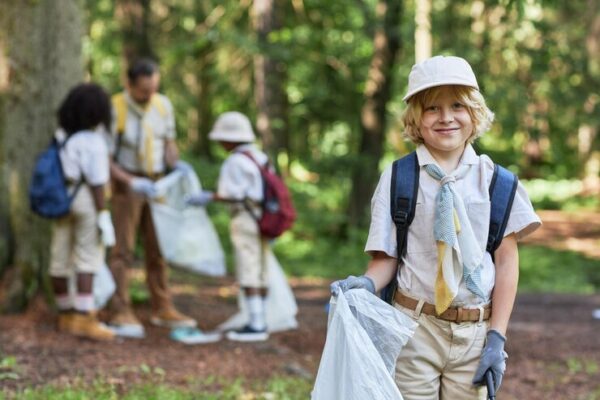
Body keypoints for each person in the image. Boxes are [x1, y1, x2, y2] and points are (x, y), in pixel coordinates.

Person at [330, 55, 541, 399]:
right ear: (416, 117)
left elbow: (506, 263)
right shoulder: (399, 177)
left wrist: (497, 337)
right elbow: (387, 258)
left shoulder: (497, 182)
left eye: (457, 104)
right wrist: (365, 283)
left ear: (474, 111)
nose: (445, 117)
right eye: (431, 108)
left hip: (476, 331)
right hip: (413, 327)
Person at [106, 58, 196, 337]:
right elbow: (106, 157)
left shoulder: (162, 105)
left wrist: (176, 166)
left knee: (158, 249)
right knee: (123, 250)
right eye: (143, 91)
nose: (148, 96)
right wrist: (131, 181)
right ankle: (120, 307)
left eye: (153, 89)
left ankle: (162, 306)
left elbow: (168, 143)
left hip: (158, 183)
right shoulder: (115, 108)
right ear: (129, 84)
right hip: (127, 184)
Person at [187, 111, 273, 342]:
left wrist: (208, 197)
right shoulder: (260, 157)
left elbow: (230, 194)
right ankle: (260, 319)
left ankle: (256, 325)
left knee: (249, 269)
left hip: (245, 218)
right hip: (263, 217)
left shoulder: (235, 161)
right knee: (261, 269)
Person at [49, 83, 116, 341]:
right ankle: (84, 316)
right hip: (86, 200)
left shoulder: (62, 136)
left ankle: (64, 313)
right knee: (88, 258)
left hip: (62, 199)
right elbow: (98, 182)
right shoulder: (93, 142)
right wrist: (103, 213)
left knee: (60, 257)